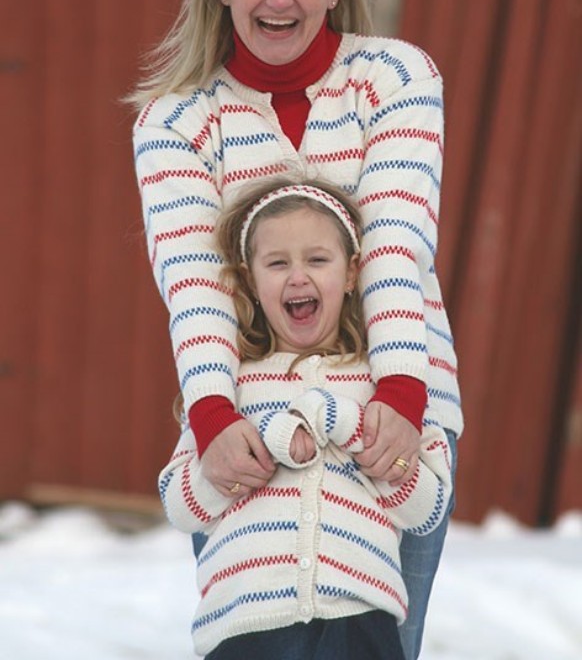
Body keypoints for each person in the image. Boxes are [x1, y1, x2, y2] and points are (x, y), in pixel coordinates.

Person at [130, 0, 463, 658]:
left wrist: (403, 406)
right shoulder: (176, 121)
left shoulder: (394, 79)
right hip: (250, 430)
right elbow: (196, 285)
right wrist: (213, 423)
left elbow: (394, 245)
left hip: (399, 420)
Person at [159, 177, 453, 659]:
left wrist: (343, 423)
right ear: (251, 281)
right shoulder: (227, 393)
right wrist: (255, 455)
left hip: (358, 622)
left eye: (317, 260)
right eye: (277, 263)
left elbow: (427, 509)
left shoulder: (386, 390)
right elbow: (180, 505)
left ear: (353, 272)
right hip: (245, 625)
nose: (298, 277)